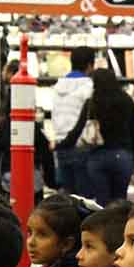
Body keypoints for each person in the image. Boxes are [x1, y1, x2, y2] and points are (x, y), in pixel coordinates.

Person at [61, 69, 134, 206]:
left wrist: (60, 145)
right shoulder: (126, 100)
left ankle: (102, 226)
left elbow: (77, 130)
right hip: (122, 156)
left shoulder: (92, 103)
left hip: (97, 157)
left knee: (102, 202)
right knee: (120, 202)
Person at [25, 195, 83, 267]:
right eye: (29, 232)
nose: (30, 242)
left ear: (66, 244)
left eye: (42, 235)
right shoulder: (45, 264)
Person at [52, 47, 95, 198]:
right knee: (85, 199)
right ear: (90, 66)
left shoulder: (57, 87)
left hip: (60, 144)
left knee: (67, 199)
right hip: (81, 146)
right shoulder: (89, 87)